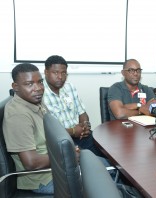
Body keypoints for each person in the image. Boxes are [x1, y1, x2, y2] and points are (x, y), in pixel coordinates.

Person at [3, 63, 53, 194]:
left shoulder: (35, 100)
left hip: (55, 168)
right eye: (29, 84)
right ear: (15, 87)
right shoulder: (18, 115)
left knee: (102, 165)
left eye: (40, 82)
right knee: (105, 181)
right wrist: (68, 156)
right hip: (43, 180)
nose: (38, 88)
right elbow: (32, 163)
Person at [43, 55, 102, 157]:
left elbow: (82, 112)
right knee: (91, 161)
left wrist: (85, 125)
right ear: (46, 72)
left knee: (106, 151)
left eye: (63, 73)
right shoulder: (39, 93)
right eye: (55, 72)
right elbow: (47, 130)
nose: (60, 77)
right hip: (61, 140)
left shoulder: (69, 87)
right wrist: (73, 131)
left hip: (80, 135)